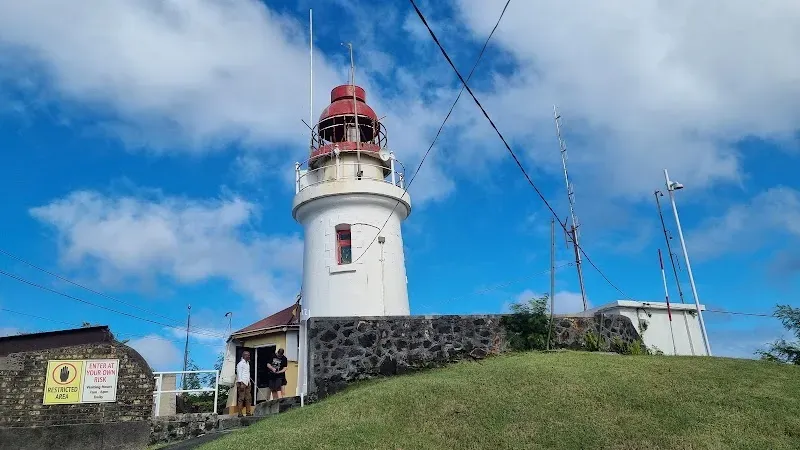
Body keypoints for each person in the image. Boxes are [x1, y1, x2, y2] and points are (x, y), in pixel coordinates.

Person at [236, 351, 252, 417]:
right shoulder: (240, 364)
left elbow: (247, 373)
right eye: (247, 355)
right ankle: (240, 413)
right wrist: (241, 383)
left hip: (247, 382)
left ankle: (248, 412)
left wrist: (249, 382)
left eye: (249, 355)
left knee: (248, 398)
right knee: (241, 398)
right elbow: (239, 374)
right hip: (242, 383)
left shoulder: (247, 363)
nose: (249, 356)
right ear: (244, 356)